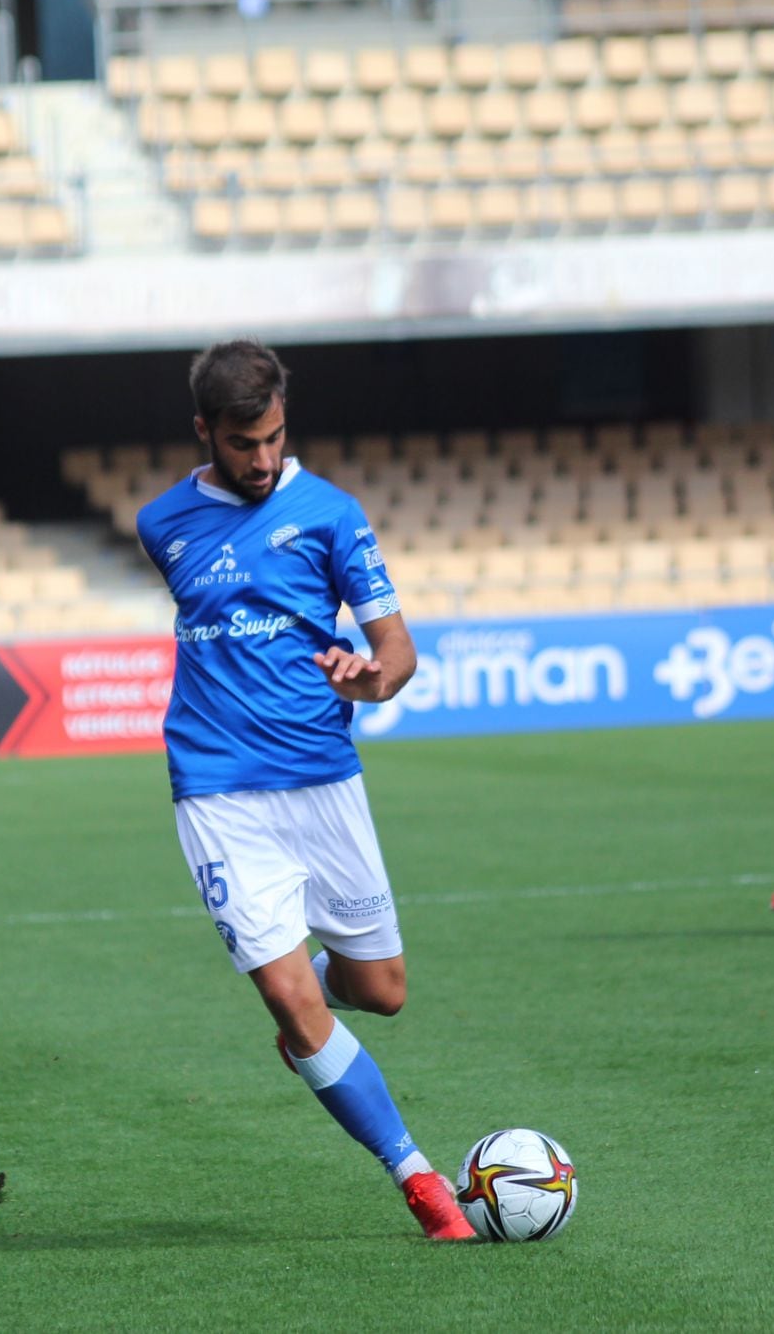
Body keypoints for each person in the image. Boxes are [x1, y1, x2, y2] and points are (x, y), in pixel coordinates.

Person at [133, 340, 474, 1242]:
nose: (262, 459)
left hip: (322, 778)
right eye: (243, 443)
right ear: (204, 431)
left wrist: (370, 681)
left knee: (383, 989)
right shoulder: (160, 522)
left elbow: (397, 652)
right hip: (215, 790)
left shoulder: (331, 514)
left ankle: (313, 1009)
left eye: (275, 438)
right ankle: (422, 1183)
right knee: (289, 998)